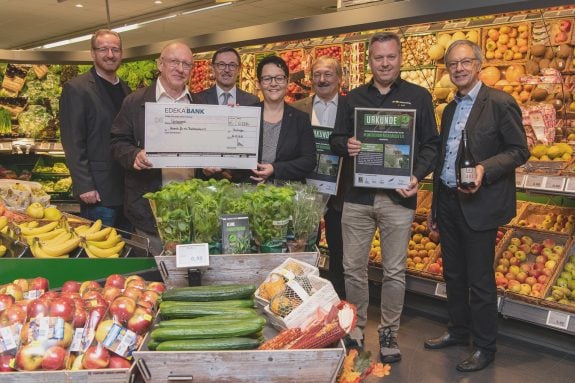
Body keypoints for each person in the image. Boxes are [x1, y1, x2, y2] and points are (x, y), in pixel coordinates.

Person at [329, 32, 440, 363]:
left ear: (400, 58)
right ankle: (357, 326)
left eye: (391, 56)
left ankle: (389, 331)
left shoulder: (419, 97)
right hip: (357, 197)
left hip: (398, 200)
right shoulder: (352, 99)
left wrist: (416, 175)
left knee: (394, 271)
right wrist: (345, 145)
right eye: (379, 57)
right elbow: (335, 139)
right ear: (370, 60)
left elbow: (431, 145)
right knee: (352, 268)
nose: (385, 63)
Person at [424, 40, 529, 372]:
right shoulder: (450, 108)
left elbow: (519, 150)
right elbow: (444, 158)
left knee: (480, 279)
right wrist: (436, 206)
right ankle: (458, 330)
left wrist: (486, 168)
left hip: (480, 204)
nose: (458, 68)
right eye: (452, 64)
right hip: (450, 200)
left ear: (478, 64)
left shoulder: (500, 102)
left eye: (465, 62)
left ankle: (485, 347)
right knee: (453, 274)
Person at [110, 41, 201, 255]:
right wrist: (134, 155)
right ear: (160, 64)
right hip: (148, 212)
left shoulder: (200, 104)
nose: (180, 69)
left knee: (190, 278)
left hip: (191, 212)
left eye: (187, 64)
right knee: (151, 276)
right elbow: (117, 142)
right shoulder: (135, 102)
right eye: (174, 62)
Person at [59, 29, 131, 229]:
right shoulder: (77, 89)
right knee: (100, 255)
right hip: (97, 193)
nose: (110, 54)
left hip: (125, 190)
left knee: (125, 251)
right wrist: (84, 185)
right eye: (104, 49)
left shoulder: (126, 89)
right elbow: (73, 141)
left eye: (115, 49)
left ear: (121, 53)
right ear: (92, 53)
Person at [292, 56, 351, 298]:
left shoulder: (350, 108)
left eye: (328, 74)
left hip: (339, 194)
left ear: (339, 78)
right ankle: (302, 300)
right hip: (306, 193)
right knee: (303, 251)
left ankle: (337, 306)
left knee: (340, 253)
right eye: (317, 74)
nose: (322, 79)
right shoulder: (297, 109)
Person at [218, 55, 316, 184]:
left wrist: (275, 168)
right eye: (267, 79)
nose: (273, 83)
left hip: (285, 195)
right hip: (248, 193)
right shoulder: (246, 115)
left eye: (279, 78)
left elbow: (309, 161)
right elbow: (230, 154)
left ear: (287, 82)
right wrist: (231, 121)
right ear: (259, 84)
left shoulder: (300, 119)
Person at [196, 46, 259, 180]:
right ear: (213, 68)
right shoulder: (198, 99)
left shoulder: (252, 101)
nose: (226, 70)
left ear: (239, 69)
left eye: (232, 65)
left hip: (241, 180)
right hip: (208, 179)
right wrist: (202, 165)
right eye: (221, 65)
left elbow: (254, 142)